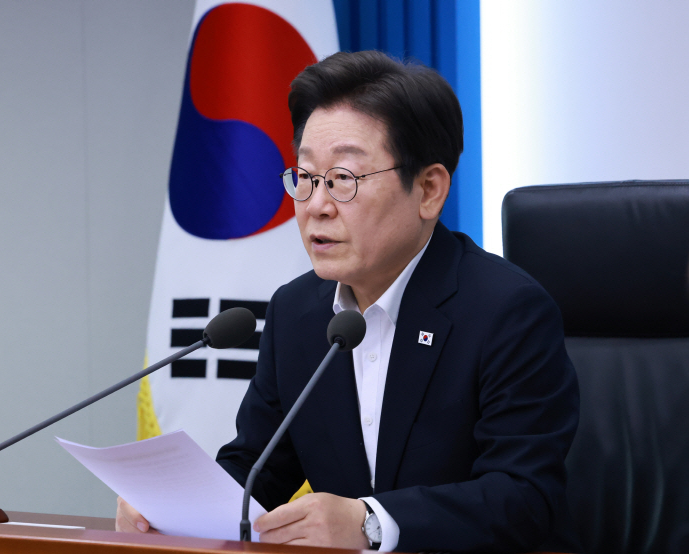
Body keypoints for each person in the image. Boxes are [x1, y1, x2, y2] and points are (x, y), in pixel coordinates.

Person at [117, 50, 581, 553]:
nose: (317, 205)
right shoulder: (296, 313)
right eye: (306, 177)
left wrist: (370, 523)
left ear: (429, 190)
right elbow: (256, 470)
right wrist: (173, 507)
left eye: (343, 179)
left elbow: (524, 497)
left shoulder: (506, 311)